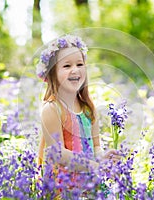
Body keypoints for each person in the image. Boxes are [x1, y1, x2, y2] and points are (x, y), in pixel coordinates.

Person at [36, 35, 120, 194]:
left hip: (89, 185)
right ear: (52, 74)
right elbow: (58, 153)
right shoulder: (52, 109)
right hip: (64, 188)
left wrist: (103, 158)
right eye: (66, 66)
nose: (75, 69)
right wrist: (95, 166)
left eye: (80, 64)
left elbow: (95, 147)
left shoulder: (88, 109)